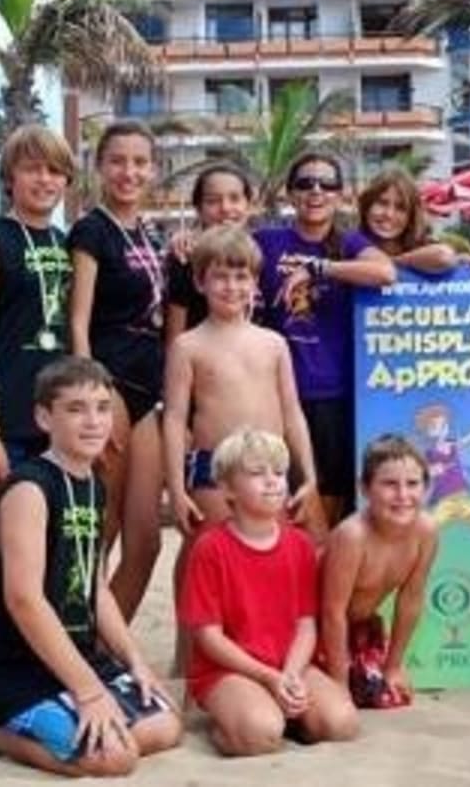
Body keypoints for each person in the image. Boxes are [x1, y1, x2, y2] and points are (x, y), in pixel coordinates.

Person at [0, 357, 181, 776]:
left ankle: (65, 713)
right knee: (113, 758)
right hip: (10, 663)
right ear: (44, 417)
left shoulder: (92, 485)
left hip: (73, 652)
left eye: (102, 408)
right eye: (76, 409)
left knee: (165, 725)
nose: (93, 421)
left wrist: (135, 660)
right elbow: (24, 600)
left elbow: (95, 586)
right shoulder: (30, 490)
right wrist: (89, 692)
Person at [164, 225, 321, 673]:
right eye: (220, 276)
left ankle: (261, 658)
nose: (231, 287)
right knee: (209, 566)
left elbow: (292, 412)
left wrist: (309, 475)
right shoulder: (187, 345)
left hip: (272, 467)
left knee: (267, 564)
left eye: (241, 277)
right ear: (200, 282)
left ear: (255, 282)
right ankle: (192, 663)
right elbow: (174, 418)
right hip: (214, 472)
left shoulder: (273, 344)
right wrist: (176, 488)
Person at [179, 427, 359, 756]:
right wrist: (268, 677)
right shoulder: (210, 548)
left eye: (278, 472)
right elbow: (209, 638)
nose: (272, 481)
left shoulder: (300, 544)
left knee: (341, 723)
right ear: (227, 488)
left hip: (288, 663)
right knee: (260, 733)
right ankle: (227, 723)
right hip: (230, 669)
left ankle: (285, 713)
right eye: (257, 473)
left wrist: (290, 674)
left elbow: (306, 624)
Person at [255, 152, 396, 527]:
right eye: (305, 183)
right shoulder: (266, 241)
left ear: (340, 194)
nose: (316, 191)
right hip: (277, 394)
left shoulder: (349, 244)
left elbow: (386, 272)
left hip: (333, 396)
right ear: (290, 193)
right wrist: (185, 242)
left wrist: (320, 269)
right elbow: (222, 254)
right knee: (281, 506)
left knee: (329, 509)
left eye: (326, 184)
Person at [68, 120, 166, 621]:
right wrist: (93, 400)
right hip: (110, 383)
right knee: (101, 533)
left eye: (140, 162)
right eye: (118, 161)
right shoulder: (92, 231)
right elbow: (77, 321)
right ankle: (75, 641)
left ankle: (106, 645)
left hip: (149, 387)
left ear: (154, 169)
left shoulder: (150, 234)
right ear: (100, 168)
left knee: (146, 540)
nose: (129, 172)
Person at [0, 125, 77, 503]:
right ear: (10, 178)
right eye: (32, 169)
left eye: (54, 170)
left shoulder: (66, 244)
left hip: (54, 425)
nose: (45, 179)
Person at [320, 435, 438, 709]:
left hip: (360, 629)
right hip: (320, 631)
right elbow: (331, 612)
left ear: (426, 487)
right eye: (389, 484)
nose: (403, 495)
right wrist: (339, 683)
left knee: (393, 695)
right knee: (331, 708)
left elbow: (411, 598)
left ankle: (364, 665)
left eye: (413, 484)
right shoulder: (352, 536)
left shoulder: (426, 531)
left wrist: (393, 666)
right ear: (364, 487)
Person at [165, 163, 254, 340]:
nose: (225, 208)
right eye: (213, 201)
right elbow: (175, 337)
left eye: (235, 198)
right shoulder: (186, 258)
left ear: (248, 205)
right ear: (199, 208)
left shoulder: (259, 251)